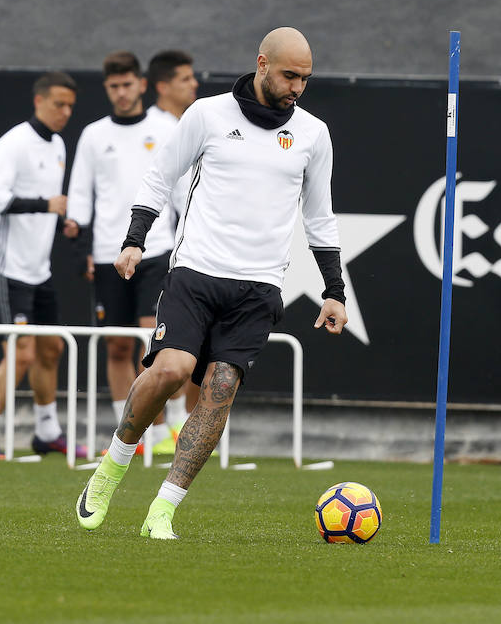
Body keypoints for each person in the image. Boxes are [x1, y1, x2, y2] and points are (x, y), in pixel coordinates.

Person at [76, 27, 348, 539]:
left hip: (261, 285)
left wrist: (334, 290)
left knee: (219, 388)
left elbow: (320, 218)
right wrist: (135, 238)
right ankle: (112, 466)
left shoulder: (313, 133)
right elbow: (160, 177)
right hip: (197, 270)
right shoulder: (207, 114)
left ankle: (163, 509)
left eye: (306, 79)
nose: (298, 88)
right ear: (262, 64)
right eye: (290, 75)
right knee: (172, 370)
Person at [63, 51, 184, 455]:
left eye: (127, 84)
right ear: (107, 89)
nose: (121, 92)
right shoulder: (95, 134)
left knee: (153, 341)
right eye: (113, 86)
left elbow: (183, 187)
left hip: (157, 248)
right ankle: (126, 433)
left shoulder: (166, 127)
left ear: (142, 84)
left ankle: (160, 429)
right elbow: (80, 192)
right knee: (116, 345)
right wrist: (82, 246)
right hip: (106, 253)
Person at [0, 72, 87, 460]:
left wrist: (62, 220)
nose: (65, 112)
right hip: (5, 270)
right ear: (38, 102)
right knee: (21, 354)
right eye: (58, 104)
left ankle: (47, 432)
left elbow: (48, 205)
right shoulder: (14, 142)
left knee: (52, 348)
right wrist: (44, 204)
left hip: (40, 272)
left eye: (70, 105)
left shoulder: (57, 145)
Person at [146, 49, 201, 431]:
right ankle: (154, 429)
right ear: (163, 86)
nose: (195, 84)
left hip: (177, 249)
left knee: (185, 345)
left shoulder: (189, 123)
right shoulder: (159, 130)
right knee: (155, 344)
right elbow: (173, 193)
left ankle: (176, 424)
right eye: (185, 78)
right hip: (157, 249)